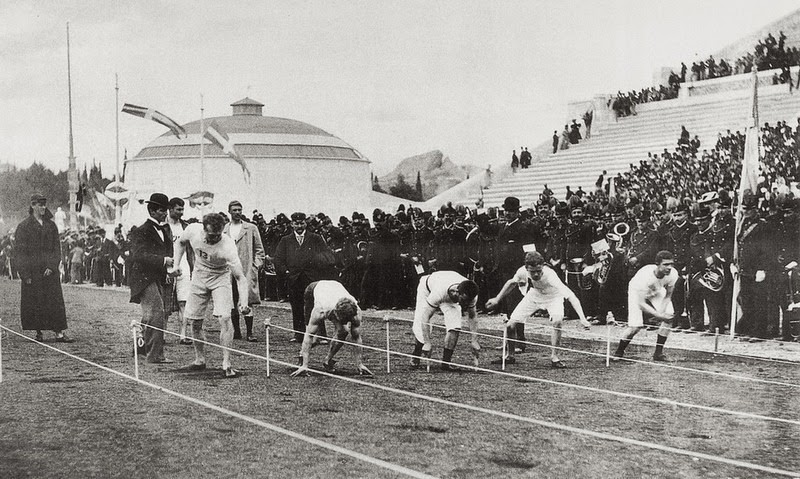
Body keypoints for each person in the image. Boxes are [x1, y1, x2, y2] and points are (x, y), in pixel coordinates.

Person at [173, 213, 250, 378]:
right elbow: (180, 243)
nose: (215, 238)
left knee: (225, 318)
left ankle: (226, 363)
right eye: (211, 235)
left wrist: (243, 303)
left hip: (220, 278)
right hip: (199, 275)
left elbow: (240, 278)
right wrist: (175, 264)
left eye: (218, 235)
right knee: (194, 321)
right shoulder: (193, 230)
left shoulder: (228, 246)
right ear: (203, 228)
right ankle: (199, 360)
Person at [486, 251, 591, 368]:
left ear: (543, 266)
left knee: (557, 321)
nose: (536, 275)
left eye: (539, 271)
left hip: (554, 297)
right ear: (526, 268)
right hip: (534, 295)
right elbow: (511, 283)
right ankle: (510, 356)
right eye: (533, 272)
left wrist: (582, 318)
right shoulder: (522, 271)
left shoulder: (550, 275)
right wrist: (497, 299)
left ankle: (554, 357)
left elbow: (572, 296)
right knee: (510, 324)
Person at [15, 194, 73, 343]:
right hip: (33, 272)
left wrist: (52, 266)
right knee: (35, 302)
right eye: (40, 205)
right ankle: (38, 332)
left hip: (49, 272)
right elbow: (20, 252)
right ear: (33, 205)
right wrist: (25, 273)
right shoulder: (23, 227)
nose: (43, 208)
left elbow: (56, 249)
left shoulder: (51, 226)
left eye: (44, 205)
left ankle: (59, 333)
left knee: (54, 302)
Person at [290, 280, 373, 377]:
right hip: (313, 289)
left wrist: (359, 364)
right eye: (342, 320)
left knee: (344, 331)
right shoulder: (321, 310)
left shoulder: (356, 312)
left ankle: (327, 360)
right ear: (335, 313)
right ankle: (302, 356)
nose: (345, 323)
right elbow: (309, 335)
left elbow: (356, 337)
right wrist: (305, 366)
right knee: (314, 337)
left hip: (335, 286)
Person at [128, 193, 174, 363]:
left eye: (166, 210)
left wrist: (169, 270)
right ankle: (155, 355)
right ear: (152, 211)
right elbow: (139, 255)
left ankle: (140, 348)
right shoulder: (141, 231)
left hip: (157, 277)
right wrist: (163, 261)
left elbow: (168, 254)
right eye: (162, 210)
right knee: (156, 313)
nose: (165, 213)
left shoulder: (164, 230)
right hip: (143, 278)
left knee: (150, 315)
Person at [274, 212, 333, 342]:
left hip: (312, 279)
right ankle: (299, 334)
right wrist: (286, 272)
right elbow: (278, 259)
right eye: (296, 223)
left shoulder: (315, 238)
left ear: (305, 223)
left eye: (301, 223)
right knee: (296, 306)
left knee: (317, 305)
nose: (299, 226)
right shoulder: (286, 240)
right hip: (294, 278)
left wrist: (317, 264)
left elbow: (326, 254)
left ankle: (321, 335)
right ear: (292, 224)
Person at [612, 250, 678, 362]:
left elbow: (668, 296)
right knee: (635, 326)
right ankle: (619, 352)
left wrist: (661, 313)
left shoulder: (673, 274)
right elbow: (641, 303)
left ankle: (658, 353)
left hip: (656, 289)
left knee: (669, 315)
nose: (669, 267)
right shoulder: (645, 276)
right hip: (637, 291)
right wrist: (659, 316)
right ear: (657, 264)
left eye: (671, 264)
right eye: (666, 264)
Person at [409, 271, 480, 371]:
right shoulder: (439, 292)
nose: (466, 304)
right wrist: (427, 342)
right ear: (456, 292)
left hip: (450, 294)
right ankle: (416, 354)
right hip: (427, 289)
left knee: (455, 326)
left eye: (468, 301)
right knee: (420, 327)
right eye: (464, 300)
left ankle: (445, 363)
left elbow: (472, 317)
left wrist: (474, 340)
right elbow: (426, 317)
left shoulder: (471, 295)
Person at [223, 200, 265, 342]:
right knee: (231, 299)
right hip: (228, 271)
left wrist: (256, 266)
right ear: (229, 211)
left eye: (239, 210)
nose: (237, 213)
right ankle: (236, 331)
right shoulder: (224, 229)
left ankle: (250, 332)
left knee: (247, 300)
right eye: (234, 210)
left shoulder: (250, 228)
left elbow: (259, 250)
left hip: (246, 269)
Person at [166, 197, 193, 345]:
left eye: (182, 209)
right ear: (170, 209)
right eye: (178, 209)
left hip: (184, 266)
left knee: (184, 302)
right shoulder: (163, 226)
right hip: (168, 266)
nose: (181, 212)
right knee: (165, 303)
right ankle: (161, 336)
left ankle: (183, 335)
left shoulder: (186, 227)